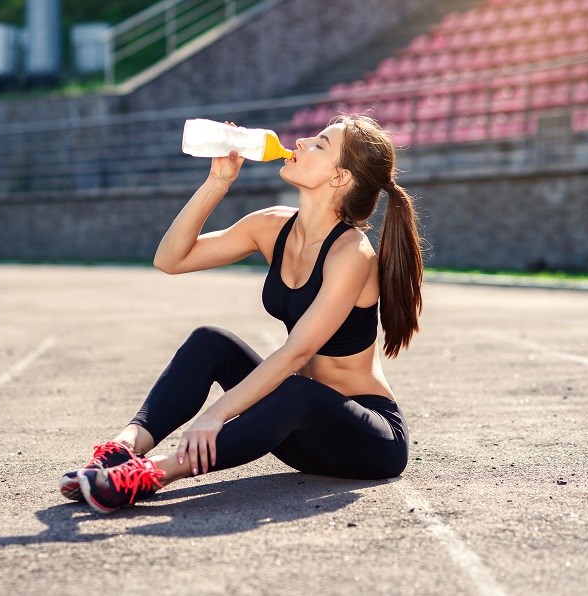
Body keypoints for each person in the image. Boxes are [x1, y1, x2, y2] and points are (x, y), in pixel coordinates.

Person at [59, 114, 423, 514]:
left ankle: (148, 475)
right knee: (209, 342)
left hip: (365, 439)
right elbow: (170, 259)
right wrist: (218, 182)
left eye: (319, 144)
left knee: (296, 388)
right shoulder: (271, 226)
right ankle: (120, 452)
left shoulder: (351, 253)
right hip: (295, 433)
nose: (300, 142)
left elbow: (297, 354)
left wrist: (216, 414)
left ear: (339, 178)